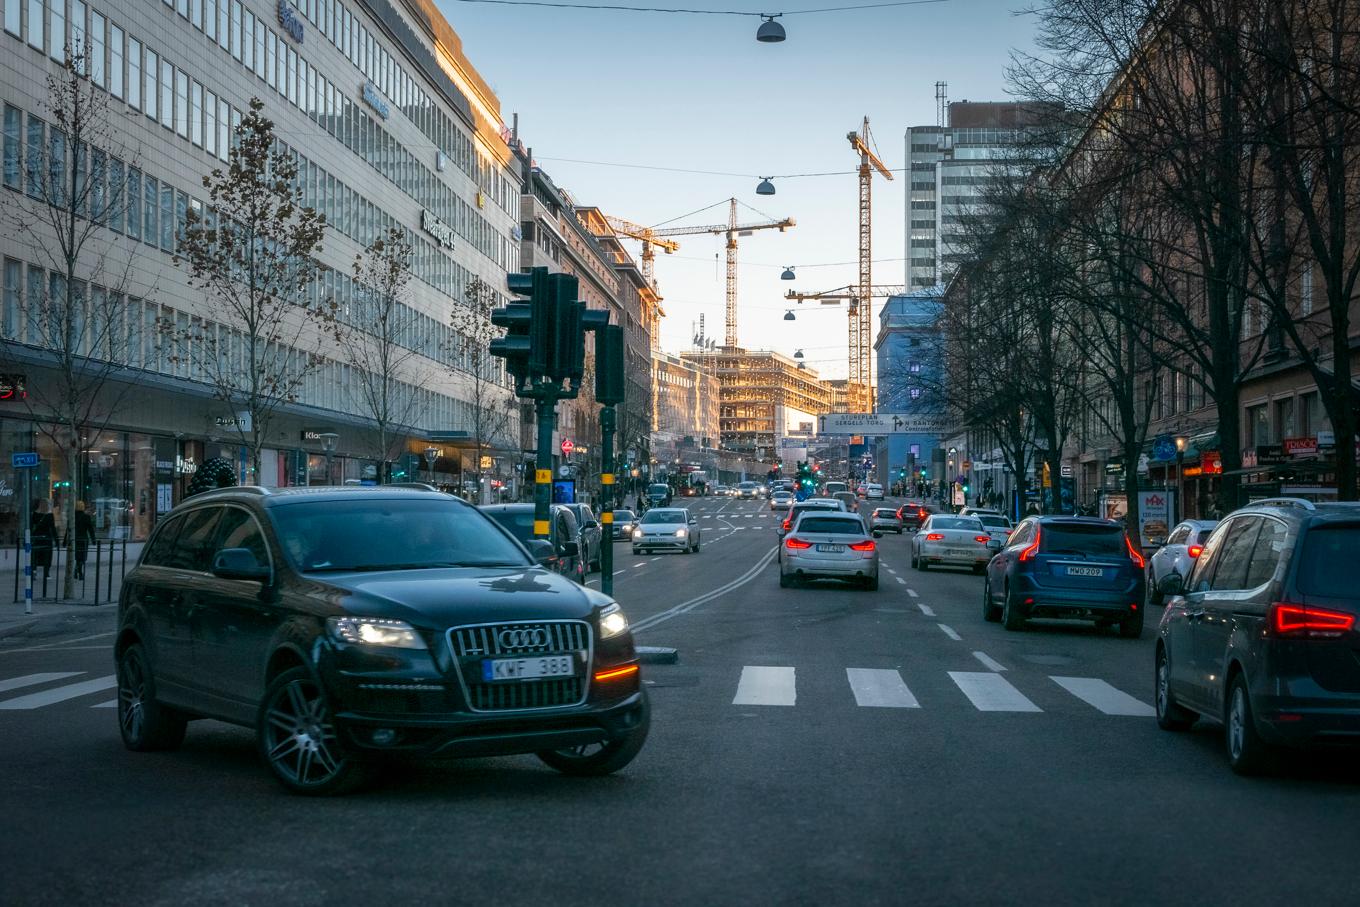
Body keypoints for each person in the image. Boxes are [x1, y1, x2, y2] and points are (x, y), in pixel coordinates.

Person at [30, 500, 56, 592]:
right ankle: (46, 573)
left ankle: (34, 570)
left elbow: (30, 526)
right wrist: (56, 540)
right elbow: (53, 528)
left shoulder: (35, 515)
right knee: (47, 556)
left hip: (37, 537)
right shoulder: (49, 515)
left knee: (36, 555)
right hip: (47, 538)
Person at [69, 500, 95, 580]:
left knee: (77, 556)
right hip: (83, 539)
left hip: (74, 539)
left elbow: (68, 529)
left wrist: (65, 541)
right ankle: (79, 572)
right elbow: (90, 529)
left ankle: (77, 571)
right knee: (82, 557)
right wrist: (93, 540)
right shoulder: (86, 517)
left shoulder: (72, 516)